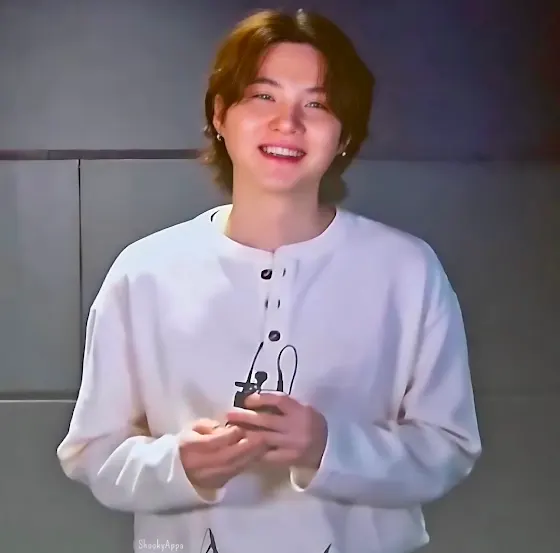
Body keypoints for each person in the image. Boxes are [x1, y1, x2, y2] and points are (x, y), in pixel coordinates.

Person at [56, 8, 481, 553]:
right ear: (220, 114)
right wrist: (178, 465)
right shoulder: (144, 272)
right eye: (263, 96)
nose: (288, 123)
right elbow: (92, 452)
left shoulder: (408, 271)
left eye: (317, 104)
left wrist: (327, 447)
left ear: (345, 134)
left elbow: (449, 447)